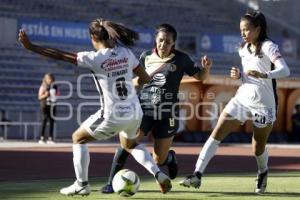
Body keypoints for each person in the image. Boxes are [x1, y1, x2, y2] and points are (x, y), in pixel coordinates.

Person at [19, 18, 172, 196]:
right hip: (134, 112)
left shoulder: (94, 58)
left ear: (93, 37)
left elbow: (59, 55)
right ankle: (158, 174)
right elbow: (145, 79)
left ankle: (82, 184)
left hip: (113, 114)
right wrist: (134, 82)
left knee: (78, 138)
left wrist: (32, 47)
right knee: (130, 144)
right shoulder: (126, 53)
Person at [179, 10, 290, 194]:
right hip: (242, 99)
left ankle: (263, 171)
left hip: (264, 106)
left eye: (246, 29)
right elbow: (248, 76)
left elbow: (284, 70)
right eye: (241, 30)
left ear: (258, 29)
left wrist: (265, 75)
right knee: (216, 134)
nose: (243, 33)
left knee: (257, 147)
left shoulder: (269, 46)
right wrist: (239, 76)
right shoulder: (242, 49)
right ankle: (197, 174)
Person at [101, 23, 212, 193]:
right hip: (143, 109)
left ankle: (169, 158)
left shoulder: (181, 59)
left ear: (173, 43)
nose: (163, 45)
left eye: (168, 42)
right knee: (128, 142)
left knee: (158, 159)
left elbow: (200, 77)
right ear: (156, 40)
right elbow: (134, 82)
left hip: (167, 113)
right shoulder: (145, 57)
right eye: (161, 40)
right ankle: (110, 183)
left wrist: (206, 69)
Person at [38, 73, 58, 144]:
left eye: (51, 79)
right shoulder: (43, 86)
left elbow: (58, 95)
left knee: (52, 121)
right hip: (44, 105)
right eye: (49, 79)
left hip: (52, 105)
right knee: (44, 120)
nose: (50, 80)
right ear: (46, 79)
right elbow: (39, 97)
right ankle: (42, 137)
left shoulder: (55, 86)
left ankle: (50, 138)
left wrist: (55, 95)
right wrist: (46, 95)